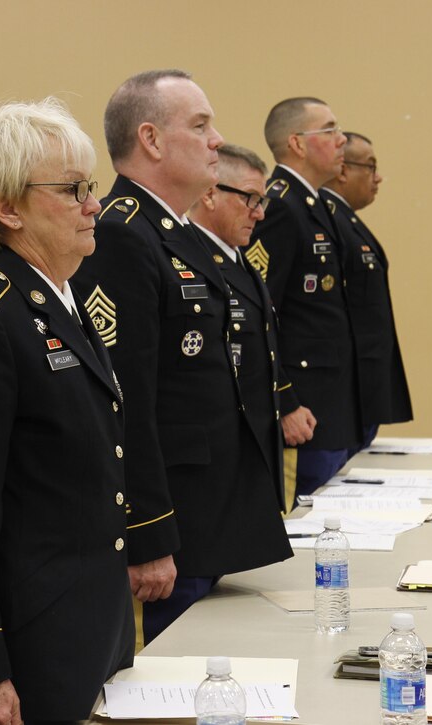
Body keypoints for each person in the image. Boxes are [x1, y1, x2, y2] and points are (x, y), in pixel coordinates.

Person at [0, 98, 133, 724]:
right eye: (71, 190)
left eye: (88, 187)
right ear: (6, 208)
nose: (94, 204)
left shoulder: (65, 302)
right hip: (24, 647)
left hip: (87, 626)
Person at [71, 71, 292, 647]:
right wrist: (146, 534)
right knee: (183, 681)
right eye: (200, 125)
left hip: (212, 511)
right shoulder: (123, 234)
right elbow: (126, 401)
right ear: (151, 139)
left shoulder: (176, 233)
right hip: (174, 521)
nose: (217, 139)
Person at [250, 96, 359, 505]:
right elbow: (261, 313)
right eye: (329, 130)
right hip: (304, 408)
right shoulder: (280, 205)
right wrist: (285, 400)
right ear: (297, 143)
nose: (342, 139)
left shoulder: (315, 204)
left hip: (329, 402)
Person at [187, 144, 284, 513]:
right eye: (250, 199)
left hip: (254, 446)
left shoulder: (238, 258)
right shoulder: (191, 259)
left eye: (262, 201)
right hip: (216, 458)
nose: (259, 214)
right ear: (210, 193)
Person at [321, 133, 412, 448]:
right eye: (370, 167)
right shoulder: (329, 220)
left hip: (362, 387)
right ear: (343, 170)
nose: (379, 177)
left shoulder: (345, 220)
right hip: (345, 390)